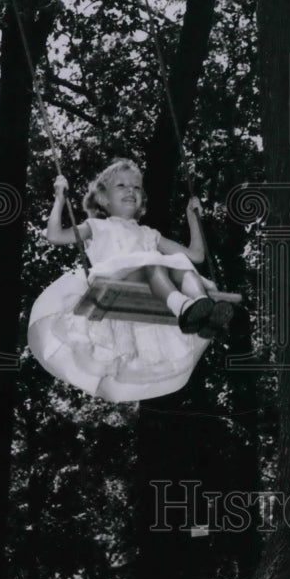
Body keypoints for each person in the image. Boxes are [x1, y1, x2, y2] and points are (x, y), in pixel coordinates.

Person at [27, 158, 233, 403]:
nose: (130, 191)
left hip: (154, 283)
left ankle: (201, 309)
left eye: (136, 187)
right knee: (155, 264)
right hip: (119, 277)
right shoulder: (96, 227)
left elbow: (196, 256)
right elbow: (54, 236)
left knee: (183, 269)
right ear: (104, 199)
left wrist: (192, 218)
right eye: (122, 185)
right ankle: (184, 307)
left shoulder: (149, 234)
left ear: (141, 199)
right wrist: (60, 198)